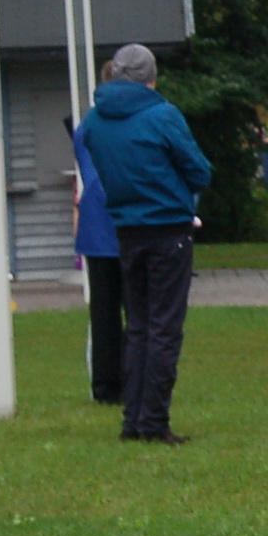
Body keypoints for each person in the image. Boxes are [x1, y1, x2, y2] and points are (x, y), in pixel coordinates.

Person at [81, 43, 212, 445]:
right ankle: (154, 421)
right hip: (168, 228)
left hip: (126, 229)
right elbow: (199, 170)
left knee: (136, 326)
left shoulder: (94, 121)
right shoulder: (161, 114)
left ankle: (132, 420)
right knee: (164, 328)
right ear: (151, 77)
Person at [71, 88, 123, 404]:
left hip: (95, 227)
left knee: (103, 313)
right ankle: (135, 379)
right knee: (138, 312)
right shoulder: (137, 124)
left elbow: (88, 171)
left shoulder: (88, 126)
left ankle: (105, 387)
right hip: (128, 223)